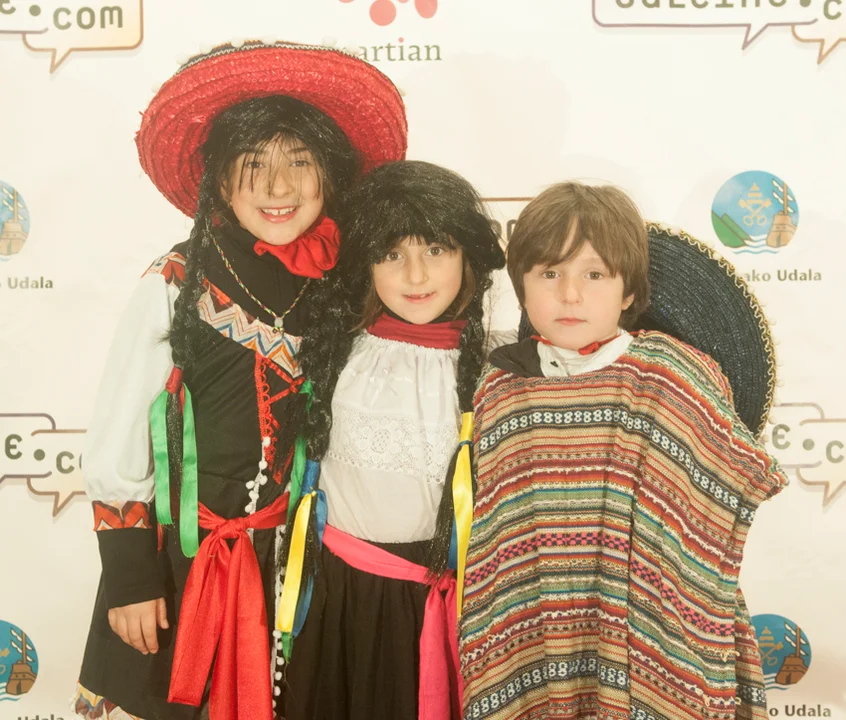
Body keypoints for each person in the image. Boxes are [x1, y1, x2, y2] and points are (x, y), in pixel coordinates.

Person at [73, 40, 407, 720]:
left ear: (330, 175)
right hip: (187, 569)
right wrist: (129, 574)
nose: (278, 189)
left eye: (300, 163)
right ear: (220, 181)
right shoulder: (178, 280)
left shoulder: (348, 286)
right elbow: (120, 432)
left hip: (302, 575)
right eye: (254, 165)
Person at [460, 182, 786, 720]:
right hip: (535, 635)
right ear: (521, 288)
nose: (570, 294)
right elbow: (497, 545)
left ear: (628, 292)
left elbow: (734, 483)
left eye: (594, 274)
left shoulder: (671, 377)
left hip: (650, 635)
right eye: (549, 273)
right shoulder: (500, 387)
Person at [277, 160, 506, 720]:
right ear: (365, 264)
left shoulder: (499, 366)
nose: (416, 275)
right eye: (391, 255)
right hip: (341, 603)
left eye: (436, 249)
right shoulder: (337, 352)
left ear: (468, 258)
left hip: (452, 612)